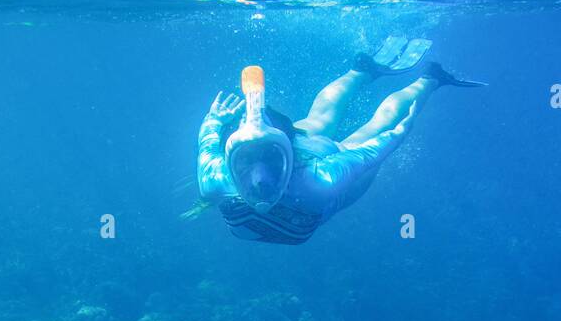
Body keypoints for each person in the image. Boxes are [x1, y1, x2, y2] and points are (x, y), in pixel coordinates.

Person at [193, 36, 482, 245]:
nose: (259, 181)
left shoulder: (318, 181)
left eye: (266, 161)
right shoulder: (318, 181)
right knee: (323, 119)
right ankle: (364, 71)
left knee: (374, 125)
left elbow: (378, 148)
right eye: (246, 163)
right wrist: (214, 121)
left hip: (312, 160)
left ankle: (429, 79)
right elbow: (377, 148)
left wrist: (214, 120)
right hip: (306, 154)